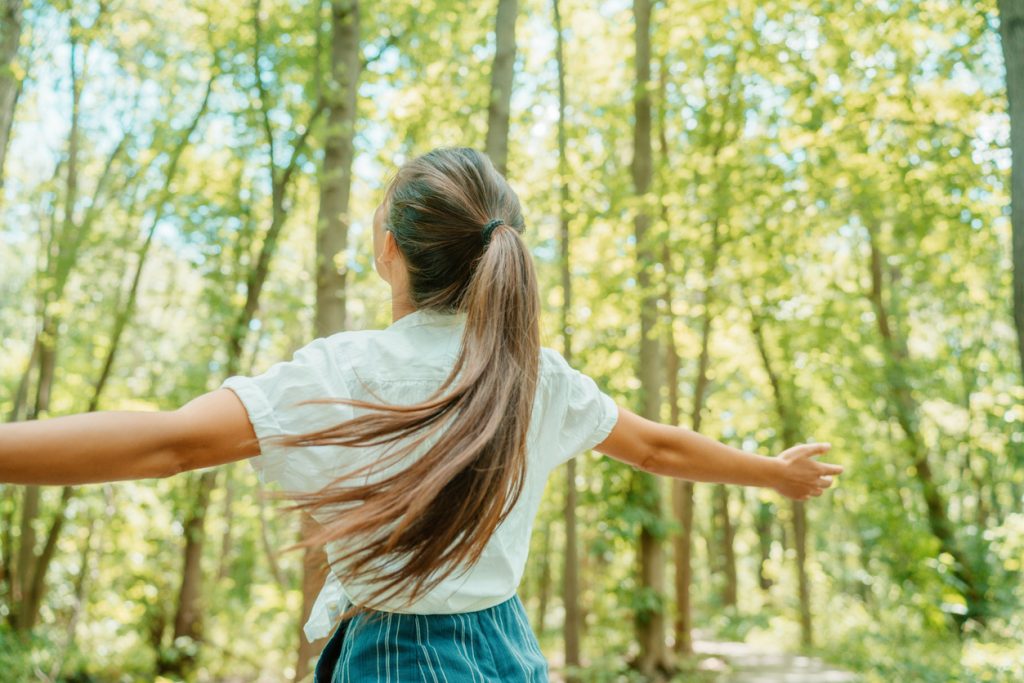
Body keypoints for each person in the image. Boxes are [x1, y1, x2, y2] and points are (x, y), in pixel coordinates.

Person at [0, 147, 843, 682]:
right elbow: (657, 448)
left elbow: (167, 443)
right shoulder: (537, 377)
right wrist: (771, 469)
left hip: (399, 659)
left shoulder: (345, 370)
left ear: (389, 248)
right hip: (508, 649)